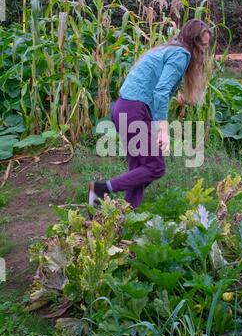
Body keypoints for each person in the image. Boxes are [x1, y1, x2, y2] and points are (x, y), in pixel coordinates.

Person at [88, 19, 213, 209]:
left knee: (139, 170)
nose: (204, 51)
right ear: (193, 41)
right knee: (155, 167)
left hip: (124, 107)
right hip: (134, 110)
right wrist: (162, 130)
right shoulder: (181, 54)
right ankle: (102, 188)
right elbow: (161, 92)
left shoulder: (168, 49)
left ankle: (126, 215)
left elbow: (156, 85)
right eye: (202, 45)